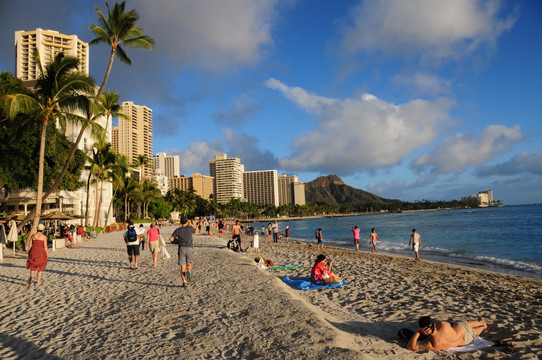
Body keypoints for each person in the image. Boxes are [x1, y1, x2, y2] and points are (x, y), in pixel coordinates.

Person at [407, 315, 488, 351]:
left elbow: (411, 347)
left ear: (423, 331)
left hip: (466, 340)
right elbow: (450, 325)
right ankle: (481, 322)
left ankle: (482, 326)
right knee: (459, 323)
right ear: (434, 324)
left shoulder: (431, 345)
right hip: (462, 328)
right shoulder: (442, 324)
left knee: (476, 331)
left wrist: (418, 332)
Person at [169, 216, 197, 287]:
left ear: (180, 222)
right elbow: (196, 230)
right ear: (187, 221)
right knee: (189, 263)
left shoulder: (178, 230)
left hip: (181, 248)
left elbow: (171, 239)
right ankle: (189, 272)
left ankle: (184, 281)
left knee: (182, 267)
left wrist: (178, 241)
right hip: (189, 248)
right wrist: (190, 224)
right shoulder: (190, 228)